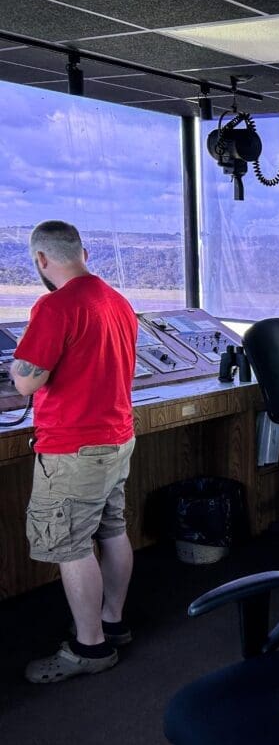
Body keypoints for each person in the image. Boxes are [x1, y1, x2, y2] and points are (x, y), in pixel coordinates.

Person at [12, 220, 138, 683]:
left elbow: (27, 380)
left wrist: (15, 366)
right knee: (112, 529)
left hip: (74, 448)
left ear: (42, 259)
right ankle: (112, 621)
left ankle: (91, 648)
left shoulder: (55, 306)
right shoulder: (118, 302)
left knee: (70, 545)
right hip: (116, 439)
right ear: (83, 251)